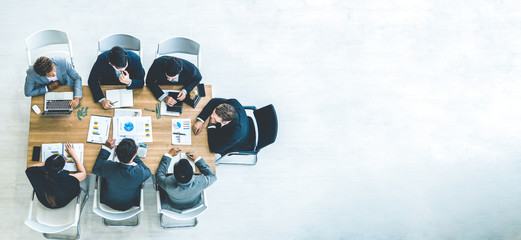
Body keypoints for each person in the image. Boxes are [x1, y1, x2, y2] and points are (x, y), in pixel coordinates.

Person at [92, 138, 151, 211]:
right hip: (130, 203)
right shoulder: (140, 172)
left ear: (116, 153)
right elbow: (148, 171)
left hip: (108, 201)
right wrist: (133, 155)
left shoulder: (108, 167)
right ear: (135, 155)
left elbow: (95, 169)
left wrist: (106, 148)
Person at [25, 142, 87, 208]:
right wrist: (73, 154)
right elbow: (83, 174)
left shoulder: (35, 173)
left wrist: (51, 163)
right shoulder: (66, 179)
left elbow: (30, 167)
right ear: (59, 171)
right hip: (61, 203)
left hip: (44, 201)